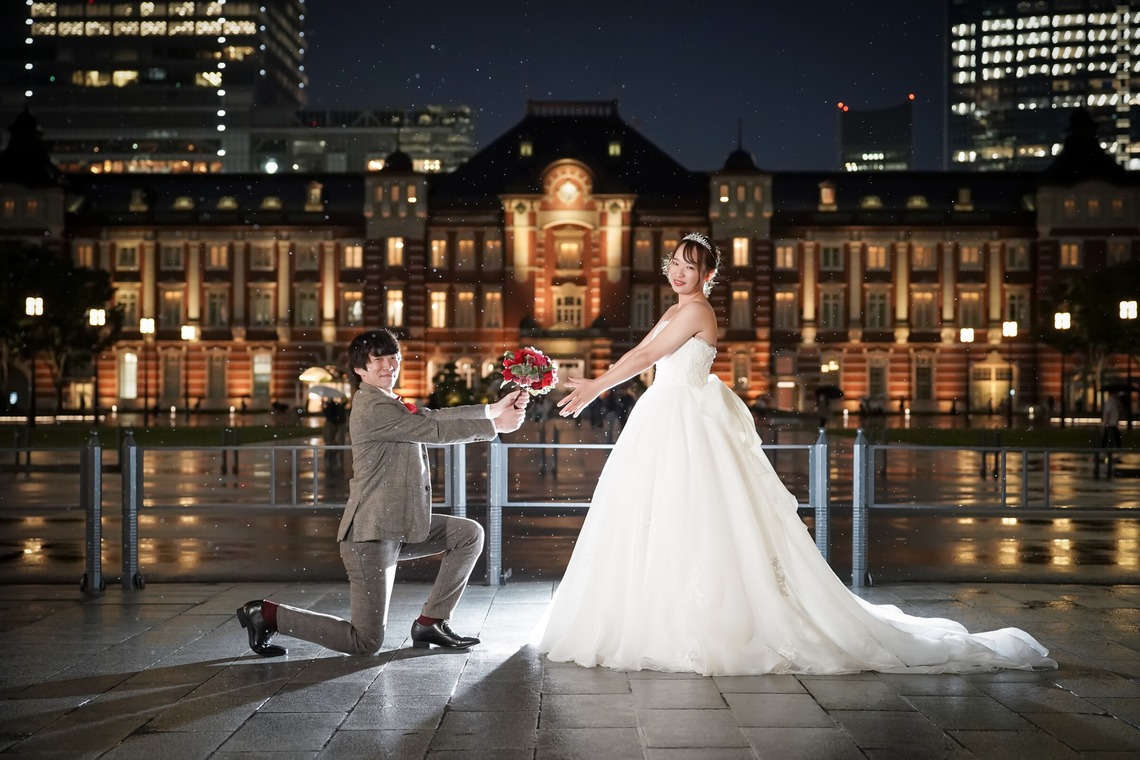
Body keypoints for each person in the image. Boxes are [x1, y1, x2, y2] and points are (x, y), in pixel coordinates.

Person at [538, 232, 1057, 676]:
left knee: (694, 515)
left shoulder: (697, 310)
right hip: (665, 416)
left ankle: (697, 618)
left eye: (690, 266)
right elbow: (640, 353)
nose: (678, 271)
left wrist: (596, 387)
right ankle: (654, 611)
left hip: (682, 420)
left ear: (707, 276)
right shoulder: (678, 308)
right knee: (660, 515)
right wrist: (591, 380)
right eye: (674, 262)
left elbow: (649, 355)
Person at [237, 328, 528, 657]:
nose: (390, 365)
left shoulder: (389, 401)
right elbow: (431, 430)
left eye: (394, 358)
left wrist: (491, 409)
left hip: (400, 524)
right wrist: (495, 427)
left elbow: (431, 416)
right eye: (379, 359)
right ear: (360, 368)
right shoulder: (373, 408)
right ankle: (265, 614)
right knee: (365, 642)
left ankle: (431, 622)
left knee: (468, 535)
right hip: (370, 535)